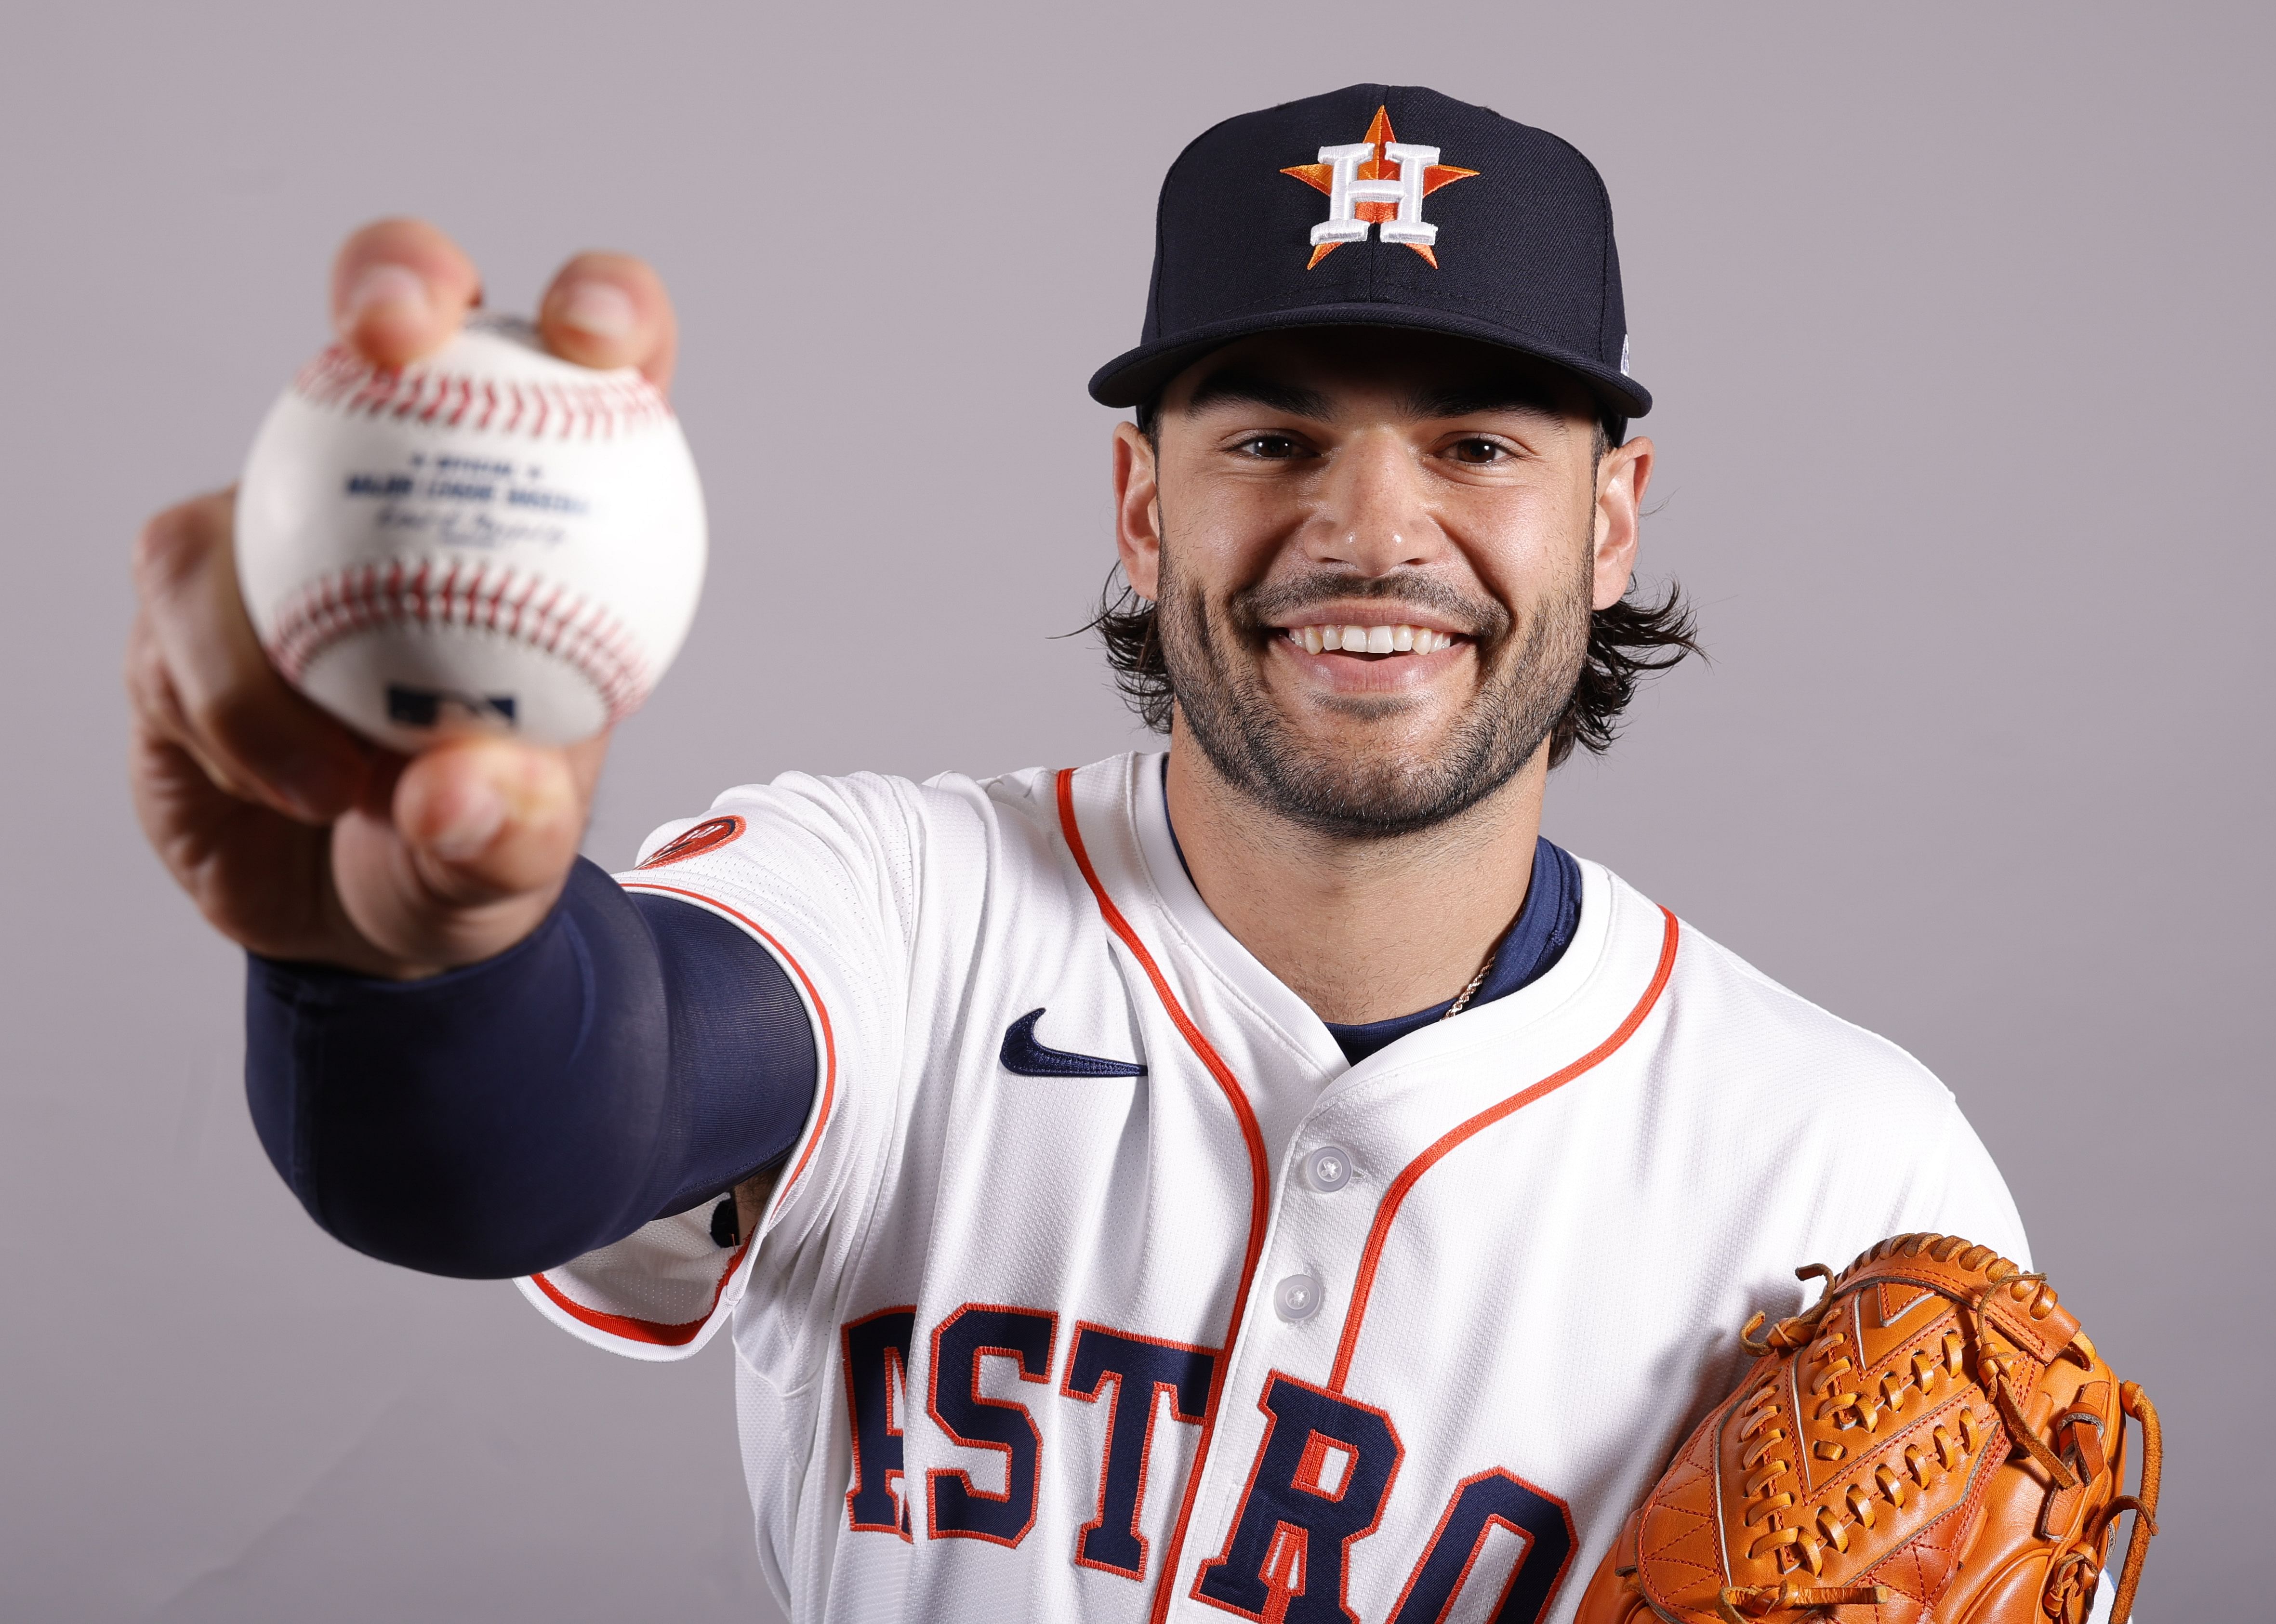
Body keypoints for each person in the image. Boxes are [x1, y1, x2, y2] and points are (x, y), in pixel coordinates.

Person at [129, 85, 2028, 1624]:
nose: (1368, 528)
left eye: (1474, 446)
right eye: (1271, 436)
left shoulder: (1843, 1164)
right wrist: (395, 956)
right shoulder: (900, 909)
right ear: (1140, 501)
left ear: (1610, 519)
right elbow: (528, 1125)